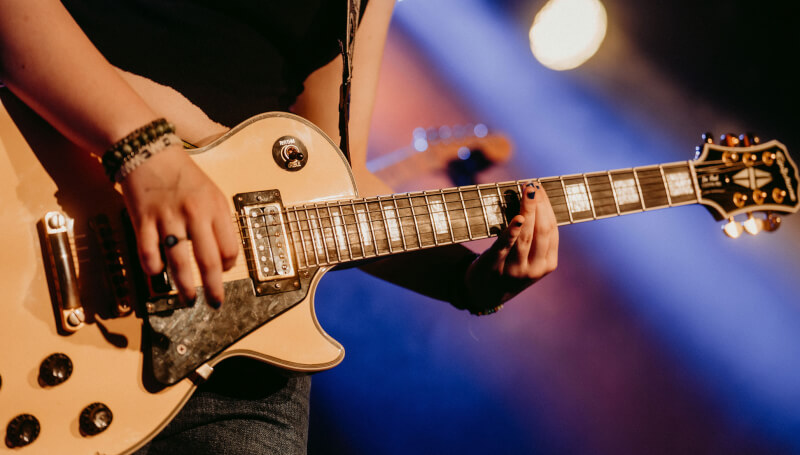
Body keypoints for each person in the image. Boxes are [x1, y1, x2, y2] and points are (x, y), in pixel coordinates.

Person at [0, 1, 559, 453]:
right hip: (40, 189)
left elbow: (336, 176)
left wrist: (466, 280)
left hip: (240, 338)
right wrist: (146, 152)